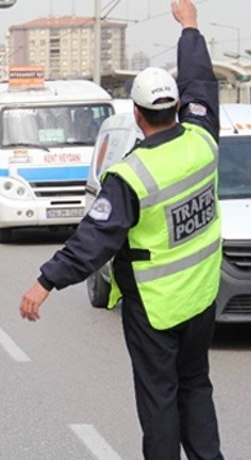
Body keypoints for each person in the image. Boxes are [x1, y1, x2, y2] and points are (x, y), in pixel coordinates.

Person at [18, 1, 224, 458]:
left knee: (160, 401)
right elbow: (202, 82)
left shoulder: (132, 175)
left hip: (156, 308)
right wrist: (190, 28)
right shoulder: (203, 140)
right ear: (177, 107)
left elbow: (94, 241)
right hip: (202, 296)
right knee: (195, 386)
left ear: (136, 114)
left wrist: (44, 282)